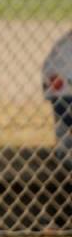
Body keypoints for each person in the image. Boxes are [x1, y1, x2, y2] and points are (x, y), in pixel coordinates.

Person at [42, 28, 72, 156]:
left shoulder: (62, 44)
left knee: (64, 138)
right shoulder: (64, 46)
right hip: (63, 95)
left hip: (61, 95)